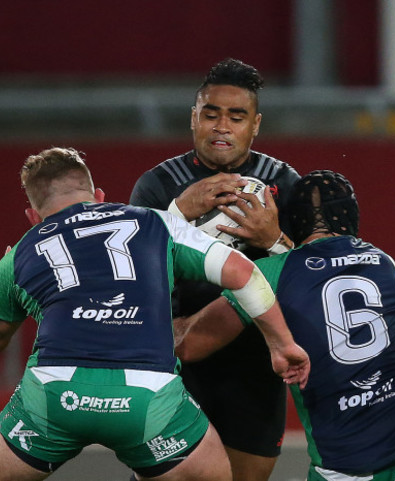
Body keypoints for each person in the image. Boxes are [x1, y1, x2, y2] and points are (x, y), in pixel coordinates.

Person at [0, 147, 309, 481]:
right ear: (98, 195)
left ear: (33, 217)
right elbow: (244, 274)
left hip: (55, 396)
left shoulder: (23, 250)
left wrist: (3, 281)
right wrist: (282, 344)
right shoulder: (156, 223)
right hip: (148, 398)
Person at [175, 170, 395, 481]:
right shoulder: (383, 261)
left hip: (347, 468)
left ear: (294, 221)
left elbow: (190, 344)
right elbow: (320, 274)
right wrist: (277, 243)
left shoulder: (268, 276)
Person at [130, 58, 300, 481]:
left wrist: (274, 241)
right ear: (194, 119)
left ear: (255, 125)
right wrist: (177, 213)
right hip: (176, 366)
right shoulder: (157, 185)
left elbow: (311, 275)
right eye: (211, 113)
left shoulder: (286, 183)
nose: (222, 125)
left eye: (236, 116)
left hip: (255, 368)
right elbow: (130, 275)